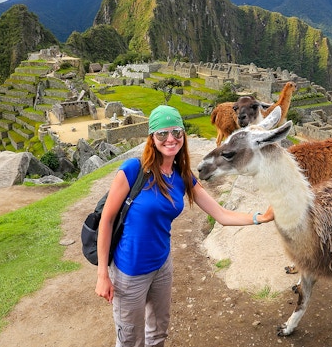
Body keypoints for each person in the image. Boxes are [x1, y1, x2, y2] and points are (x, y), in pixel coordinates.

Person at [95, 104, 274, 347]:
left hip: (161, 267)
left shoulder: (182, 176)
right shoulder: (132, 171)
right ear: (152, 137)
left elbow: (220, 214)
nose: (171, 139)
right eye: (163, 133)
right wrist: (102, 275)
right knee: (129, 339)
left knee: (158, 332)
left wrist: (259, 217)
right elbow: (106, 221)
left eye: (177, 132)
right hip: (129, 273)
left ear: (183, 136)